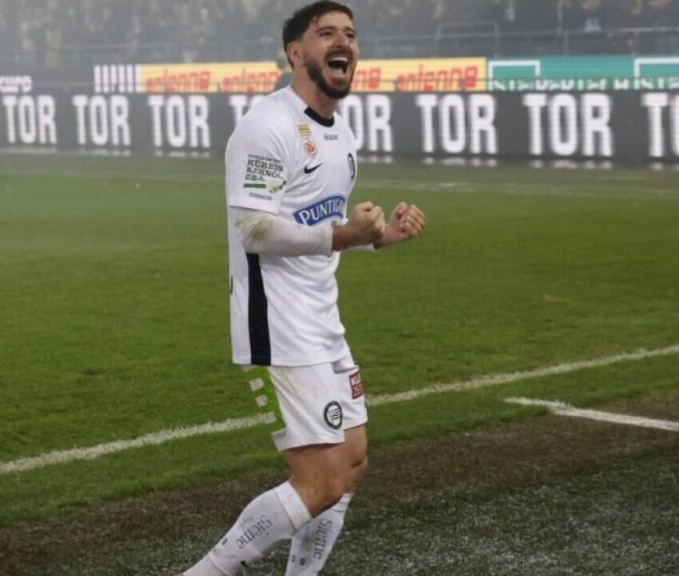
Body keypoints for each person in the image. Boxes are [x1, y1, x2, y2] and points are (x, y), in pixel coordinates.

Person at [183, 2, 426, 575]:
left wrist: (378, 238)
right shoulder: (266, 127)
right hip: (278, 326)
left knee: (352, 464)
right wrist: (344, 233)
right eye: (327, 34)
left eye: (350, 34)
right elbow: (253, 228)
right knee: (321, 481)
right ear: (296, 53)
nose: (344, 42)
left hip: (323, 322)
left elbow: (321, 228)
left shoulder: (340, 133)